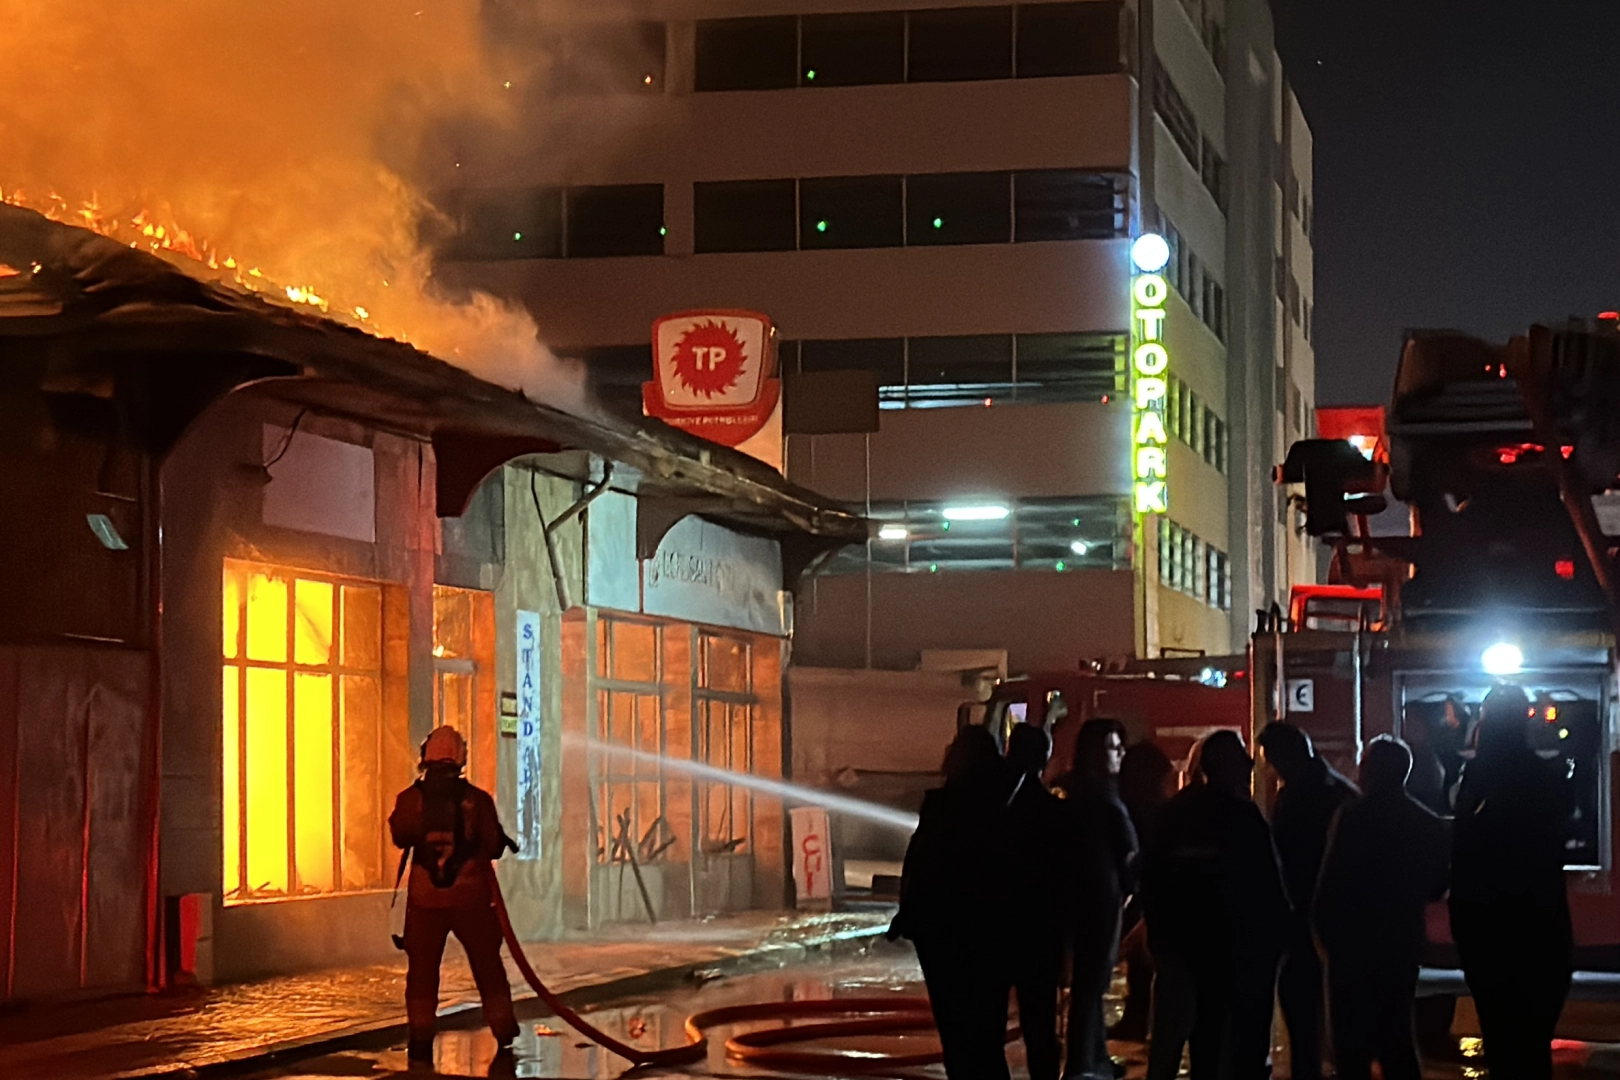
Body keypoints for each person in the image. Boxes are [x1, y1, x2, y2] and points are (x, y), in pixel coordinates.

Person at [1142, 730, 1290, 1080]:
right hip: (1233, 953)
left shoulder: (1174, 816)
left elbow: (1153, 881)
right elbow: (1268, 888)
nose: (1251, 764)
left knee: (1203, 1044)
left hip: (1190, 948)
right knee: (1235, 1047)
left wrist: (1162, 940)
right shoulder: (1243, 817)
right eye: (1241, 758)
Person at [1450, 684, 1573, 1080]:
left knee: (1502, 1039)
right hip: (1541, 925)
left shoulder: (1478, 781)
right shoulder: (1548, 778)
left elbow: (1464, 843)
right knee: (1532, 1044)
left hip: (1488, 927)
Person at [1316, 736, 1449, 1080]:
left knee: (1350, 1045)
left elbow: (1331, 880)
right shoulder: (1427, 823)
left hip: (1352, 943)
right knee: (1397, 1038)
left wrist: (1326, 935)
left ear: (1372, 770)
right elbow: (1437, 886)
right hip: (1400, 942)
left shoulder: (1352, 816)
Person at [389, 726, 519, 1063]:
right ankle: (504, 1031)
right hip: (471, 900)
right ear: (461, 757)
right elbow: (492, 846)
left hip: (424, 902)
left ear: (425, 757)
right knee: (488, 966)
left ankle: (419, 1037)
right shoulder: (476, 800)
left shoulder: (409, 800)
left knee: (422, 971)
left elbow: (400, 836)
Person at [894, 725, 1016, 1080]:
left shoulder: (940, 806)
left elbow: (918, 864)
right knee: (986, 1030)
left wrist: (909, 915)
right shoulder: (1000, 808)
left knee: (956, 1028)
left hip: (941, 933)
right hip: (987, 931)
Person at [1257, 722, 1357, 1080]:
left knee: (1307, 1011)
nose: (1271, 768)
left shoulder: (1311, 795)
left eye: (1273, 759)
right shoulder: (1335, 792)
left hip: (1311, 918)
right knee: (1318, 1015)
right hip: (1322, 918)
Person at [1054, 717, 1137, 1080]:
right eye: (1111, 748)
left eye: (1121, 747)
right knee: (1091, 983)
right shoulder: (1101, 797)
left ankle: (1095, 1055)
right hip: (1099, 901)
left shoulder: (1075, 792)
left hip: (1084, 898)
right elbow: (1129, 850)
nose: (1119, 755)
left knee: (1092, 982)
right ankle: (1083, 1063)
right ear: (1092, 753)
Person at [1005, 724, 1069, 1080]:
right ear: (1045, 759)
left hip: (994, 928)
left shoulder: (992, 811)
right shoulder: (1056, 813)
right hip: (1040, 933)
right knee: (1040, 1022)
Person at [1111, 740, 1177, 1042]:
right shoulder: (1157, 812)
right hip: (1149, 898)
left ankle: (1140, 1020)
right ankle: (1145, 1021)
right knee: (1145, 966)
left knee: (1142, 965)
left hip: (1140, 897)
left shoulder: (1128, 807)